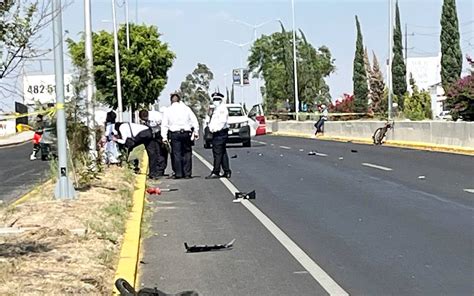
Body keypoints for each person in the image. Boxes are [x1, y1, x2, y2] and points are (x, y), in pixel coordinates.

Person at [161, 92, 199, 179]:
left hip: (175, 134)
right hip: (186, 133)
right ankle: (187, 173)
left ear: (171, 101)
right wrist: (196, 131)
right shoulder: (186, 109)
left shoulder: (168, 110)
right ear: (179, 100)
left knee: (176, 154)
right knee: (187, 153)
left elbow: (164, 125)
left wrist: (164, 137)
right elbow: (194, 120)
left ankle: (178, 173)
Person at [205, 92, 231, 179]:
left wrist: (214, 130)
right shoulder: (217, 109)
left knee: (217, 153)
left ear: (221, 100)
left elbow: (222, 122)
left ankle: (216, 171)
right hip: (218, 133)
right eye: (214, 99)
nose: (215, 101)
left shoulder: (222, 109)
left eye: (217, 99)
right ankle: (226, 171)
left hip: (220, 133)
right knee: (222, 152)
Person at [139, 109, 168, 177]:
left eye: (145, 119)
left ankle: (160, 170)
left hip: (160, 133)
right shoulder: (145, 121)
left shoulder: (157, 116)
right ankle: (155, 170)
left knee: (161, 152)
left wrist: (164, 137)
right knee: (154, 152)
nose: (145, 120)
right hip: (152, 135)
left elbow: (164, 125)